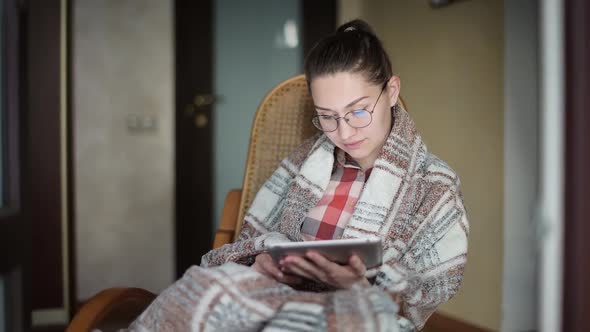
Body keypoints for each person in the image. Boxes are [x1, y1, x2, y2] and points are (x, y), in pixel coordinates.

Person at [126, 19, 468, 332]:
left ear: (391, 91)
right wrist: (260, 262)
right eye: (327, 117)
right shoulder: (304, 162)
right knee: (198, 289)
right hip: (273, 293)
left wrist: (357, 286)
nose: (345, 132)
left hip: (355, 313)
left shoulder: (434, 185)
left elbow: (424, 290)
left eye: (358, 111)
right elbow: (254, 239)